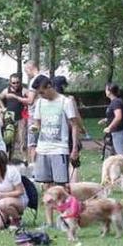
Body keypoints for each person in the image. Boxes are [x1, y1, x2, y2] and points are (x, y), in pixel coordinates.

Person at [29, 75, 80, 226]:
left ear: (49, 86)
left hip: (60, 149)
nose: (40, 95)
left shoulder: (66, 102)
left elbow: (75, 125)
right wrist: (34, 129)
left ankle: (67, 219)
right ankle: (49, 222)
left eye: (42, 92)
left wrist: (75, 148)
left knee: (61, 188)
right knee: (46, 187)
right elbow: (37, 124)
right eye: (38, 93)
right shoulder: (39, 103)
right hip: (43, 149)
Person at [52, 76, 84, 183]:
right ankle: (74, 187)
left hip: (55, 135)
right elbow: (77, 118)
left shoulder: (49, 101)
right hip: (70, 133)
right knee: (73, 163)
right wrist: (82, 128)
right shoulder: (69, 100)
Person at [20, 61, 47, 163]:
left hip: (34, 117)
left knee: (32, 143)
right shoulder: (45, 78)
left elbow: (30, 101)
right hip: (45, 115)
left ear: (29, 68)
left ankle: (34, 168)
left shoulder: (34, 81)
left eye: (26, 71)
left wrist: (17, 98)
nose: (26, 74)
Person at [0, 74, 26, 160]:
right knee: (9, 140)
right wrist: (3, 108)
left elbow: (31, 99)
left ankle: (25, 160)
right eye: (13, 83)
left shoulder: (24, 90)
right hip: (10, 117)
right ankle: (8, 160)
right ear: (10, 83)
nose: (16, 84)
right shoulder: (6, 90)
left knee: (22, 140)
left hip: (21, 118)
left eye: (17, 82)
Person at [99, 83, 123, 157]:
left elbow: (118, 117)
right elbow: (114, 116)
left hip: (119, 132)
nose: (105, 91)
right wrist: (106, 120)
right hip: (116, 132)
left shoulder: (116, 102)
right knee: (115, 155)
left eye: (106, 89)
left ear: (110, 91)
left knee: (121, 155)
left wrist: (109, 127)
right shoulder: (114, 102)